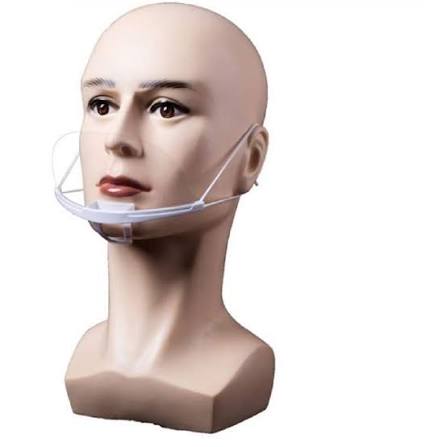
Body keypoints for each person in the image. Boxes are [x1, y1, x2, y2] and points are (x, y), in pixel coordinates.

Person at [64, 2, 274, 433]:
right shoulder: (80, 359)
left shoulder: (238, 369)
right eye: (102, 106)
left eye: (166, 108)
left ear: (250, 159)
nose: (117, 140)